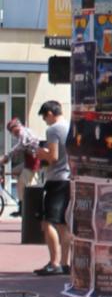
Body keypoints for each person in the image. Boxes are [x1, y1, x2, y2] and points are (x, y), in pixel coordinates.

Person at [33, 101, 72, 276]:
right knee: (63, 223)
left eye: (44, 117)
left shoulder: (54, 129)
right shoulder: (70, 126)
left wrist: (41, 153)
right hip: (69, 178)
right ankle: (65, 262)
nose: (44, 121)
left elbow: (53, 157)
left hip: (56, 179)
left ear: (50, 113)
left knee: (48, 221)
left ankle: (54, 262)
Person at [1, 118, 41, 218]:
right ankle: (24, 200)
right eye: (11, 131)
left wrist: (7, 157)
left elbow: (20, 146)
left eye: (13, 130)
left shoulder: (23, 133)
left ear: (17, 126)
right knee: (15, 172)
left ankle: (23, 208)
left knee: (21, 185)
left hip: (33, 162)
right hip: (28, 161)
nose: (13, 133)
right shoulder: (24, 132)